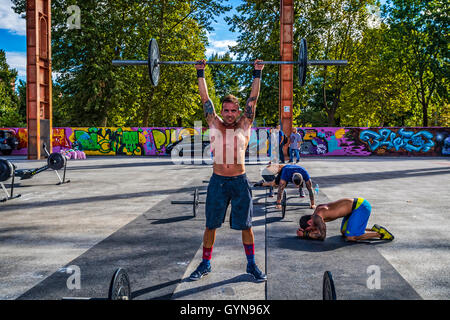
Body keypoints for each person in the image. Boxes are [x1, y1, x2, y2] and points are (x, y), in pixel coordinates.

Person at [189, 58, 267, 282]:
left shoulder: (245, 124)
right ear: (221, 110)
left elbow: (254, 98)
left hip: (240, 182)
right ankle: (205, 264)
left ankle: (251, 265)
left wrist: (257, 72)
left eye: (234, 110)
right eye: (226, 110)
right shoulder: (215, 123)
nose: (230, 114)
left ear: (239, 111)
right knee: (211, 225)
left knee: (247, 226)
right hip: (218, 182)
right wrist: (200, 72)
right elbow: (205, 99)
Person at [296, 198, 395, 242]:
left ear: (309, 222)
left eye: (310, 229)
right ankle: (373, 230)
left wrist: (305, 234)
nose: (312, 230)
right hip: (354, 208)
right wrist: (308, 232)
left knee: (350, 237)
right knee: (344, 232)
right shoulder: (316, 214)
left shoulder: (317, 217)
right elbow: (318, 229)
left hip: (361, 207)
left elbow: (322, 236)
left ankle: (380, 234)